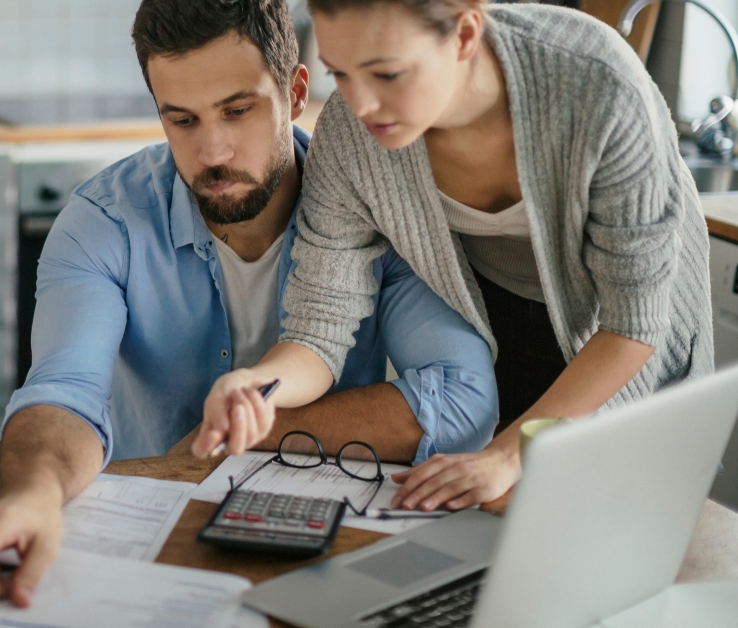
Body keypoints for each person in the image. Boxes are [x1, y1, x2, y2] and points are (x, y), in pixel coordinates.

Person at [0, 0, 499, 613]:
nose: (212, 151)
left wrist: (246, 433)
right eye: (182, 120)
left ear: (295, 92)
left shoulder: (374, 212)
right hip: (145, 542)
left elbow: (463, 401)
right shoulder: (103, 223)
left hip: (320, 544)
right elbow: (65, 393)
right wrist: (33, 496)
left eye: (237, 110)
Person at [195, 0, 712, 513]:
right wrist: (260, 384)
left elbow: (632, 325)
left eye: (387, 74)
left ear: (464, 34)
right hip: (498, 315)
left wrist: (506, 456)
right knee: (504, 525)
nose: (362, 105)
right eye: (341, 74)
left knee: (628, 512)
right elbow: (319, 328)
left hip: (621, 338)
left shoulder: (599, 86)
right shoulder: (351, 137)